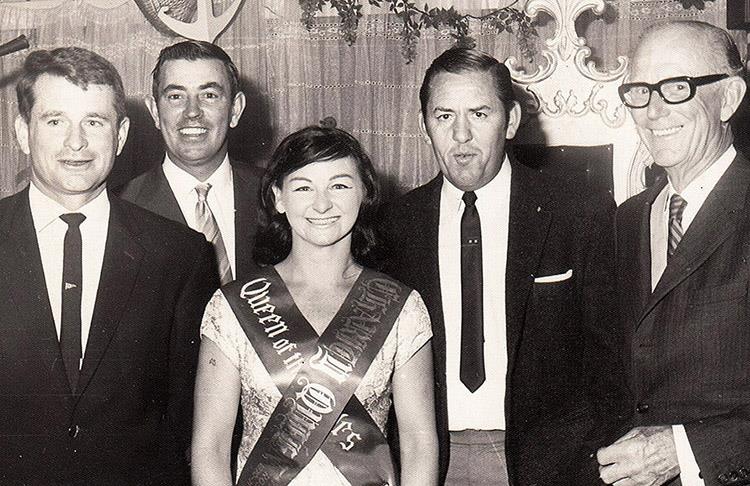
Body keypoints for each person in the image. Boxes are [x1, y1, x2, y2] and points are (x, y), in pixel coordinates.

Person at [381, 47, 622, 485]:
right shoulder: (394, 226)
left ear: (510, 121)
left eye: (479, 113)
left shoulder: (577, 211)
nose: (461, 135)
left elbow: (610, 357)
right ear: (423, 125)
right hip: (427, 460)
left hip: (547, 466)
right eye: (443, 116)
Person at [0, 47, 218, 485]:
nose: (75, 142)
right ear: (22, 132)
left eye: (94, 122)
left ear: (120, 137)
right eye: (55, 120)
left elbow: (187, 419)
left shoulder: (180, 256)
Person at [191, 125, 439, 485]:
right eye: (303, 187)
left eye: (339, 185)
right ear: (278, 197)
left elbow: (419, 444)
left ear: (365, 193)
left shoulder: (402, 307)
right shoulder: (232, 307)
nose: (321, 204)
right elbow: (210, 447)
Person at [597, 20, 750, 486]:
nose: (653, 111)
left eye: (676, 87)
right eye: (640, 91)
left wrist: (682, 450)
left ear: (728, 98)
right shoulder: (627, 220)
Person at [120, 40, 263, 284]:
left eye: (209, 95)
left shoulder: (274, 195)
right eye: (176, 96)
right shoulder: (120, 209)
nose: (192, 112)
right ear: (155, 111)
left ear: (235, 109)